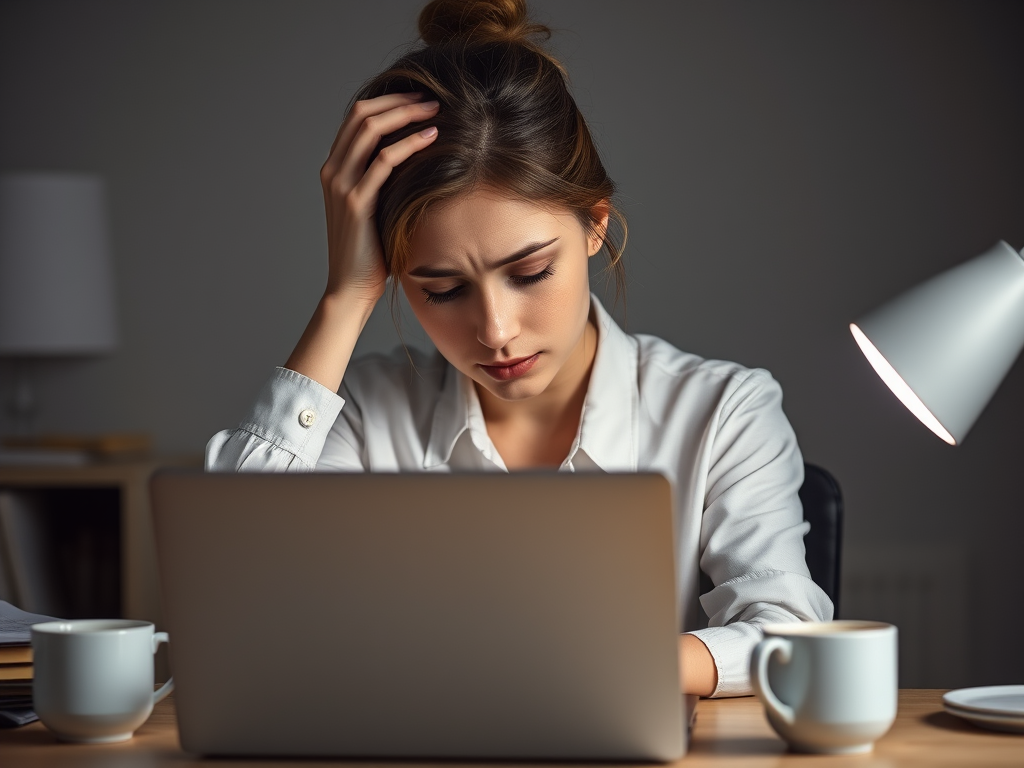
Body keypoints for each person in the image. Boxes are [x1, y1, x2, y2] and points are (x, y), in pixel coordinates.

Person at [206, 0, 833, 698]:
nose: (495, 330)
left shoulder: (723, 411)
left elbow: (789, 635)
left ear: (595, 225)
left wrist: (576, 669)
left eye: (530, 272)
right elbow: (235, 595)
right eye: (441, 289)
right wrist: (345, 296)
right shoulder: (360, 411)